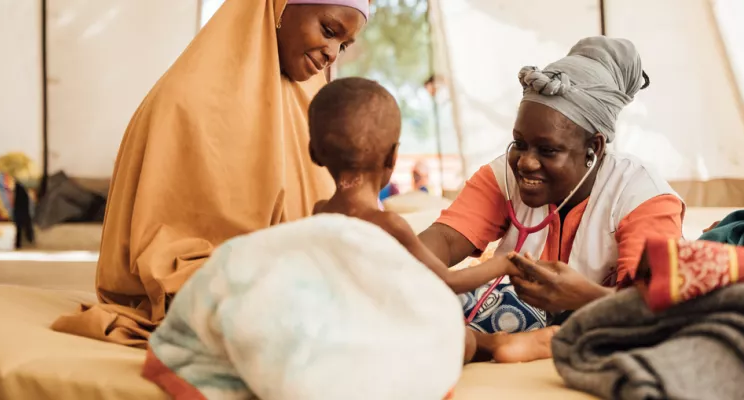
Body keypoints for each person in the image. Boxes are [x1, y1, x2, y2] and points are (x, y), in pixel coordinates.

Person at [51, 0, 369, 348]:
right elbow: (167, 256)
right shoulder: (185, 101)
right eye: (328, 31)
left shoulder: (307, 106)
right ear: (278, 8)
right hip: (214, 294)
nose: (332, 54)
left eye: (344, 45)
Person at [418, 36, 685, 357]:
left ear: (594, 148)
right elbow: (442, 242)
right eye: (519, 143)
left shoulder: (643, 196)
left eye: (548, 150)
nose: (526, 162)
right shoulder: (503, 174)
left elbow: (658, 311)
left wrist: (584, 297)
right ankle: (490, 344)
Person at [308, 77, 559, 363]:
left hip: (339, 331)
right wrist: (503, 263)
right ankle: (495, 345)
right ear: (392, 157)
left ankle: (493, 343)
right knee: (455, 333)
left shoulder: (318, 212)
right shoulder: (390, 223)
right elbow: (448, 280)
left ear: (313, 152)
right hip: (382, 330)